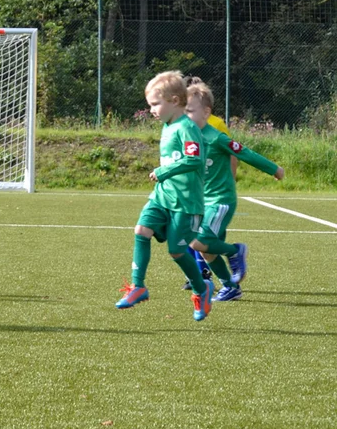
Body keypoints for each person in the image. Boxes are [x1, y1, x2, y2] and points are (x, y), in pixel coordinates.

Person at [116, 71, 216, 321]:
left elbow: (194, 160)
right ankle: (138, 286)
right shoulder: (168, 125)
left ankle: (201, 290)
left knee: (177, 252)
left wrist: (164, 171)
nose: (151, 110)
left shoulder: (187, 128)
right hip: (162, 197)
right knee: (141, 230)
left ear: (174, 100)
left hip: (185, 203)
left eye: (155, 104)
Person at [184, 81, 284, 301]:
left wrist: (274, 169)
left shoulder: (216, 137)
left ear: (206, 112)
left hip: (221, 201)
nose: (185, 115)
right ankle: (230, 287)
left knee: (197, 241)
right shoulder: (190, 139)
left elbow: (245, 153)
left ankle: (234, 251)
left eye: (190, 110)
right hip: (204, 202)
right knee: (206, 250)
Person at [181, 75, 237, 289]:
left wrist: (230, 180)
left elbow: (231, 153)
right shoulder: (181, 124)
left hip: (214, 192)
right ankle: (201, 274)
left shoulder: (216, 125)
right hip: (192, 189)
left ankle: (204, 273)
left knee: (202, 236)